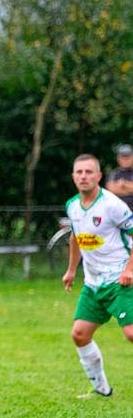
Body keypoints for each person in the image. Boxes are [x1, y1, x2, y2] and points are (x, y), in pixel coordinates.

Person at [62, 154, 133, 399]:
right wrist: (72, 270)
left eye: (89, 172)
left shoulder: (113, 205)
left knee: (131, 333)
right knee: (79, 334)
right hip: (93, 284)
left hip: (120, 281)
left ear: (99, 176)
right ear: (73, 176)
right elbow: (75, 237)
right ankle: (102, 389)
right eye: (79, 172)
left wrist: (129, 269)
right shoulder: (72, 205)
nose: (83, 176)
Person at [105, 144, 133, 211]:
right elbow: (111, 189)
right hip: (116, 211)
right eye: (123, 157)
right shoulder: (112, 174)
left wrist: (123, 184)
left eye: (128, 157)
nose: (125, 159)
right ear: (118, 159)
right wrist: (130, 189)